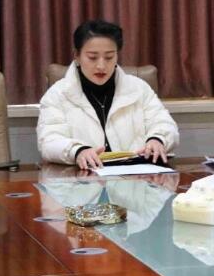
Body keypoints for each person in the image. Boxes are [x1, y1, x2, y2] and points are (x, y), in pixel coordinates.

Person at [37, 19, 179, 170]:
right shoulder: (58, 94)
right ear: (77, 56)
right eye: (92, 57)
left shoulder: (139, 88)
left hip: (138, 177)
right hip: (83, 178)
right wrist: (77, 151)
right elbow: (49, 141)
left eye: (109, 57)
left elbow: (164, 124)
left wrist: (158, 139)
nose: (101, 65)